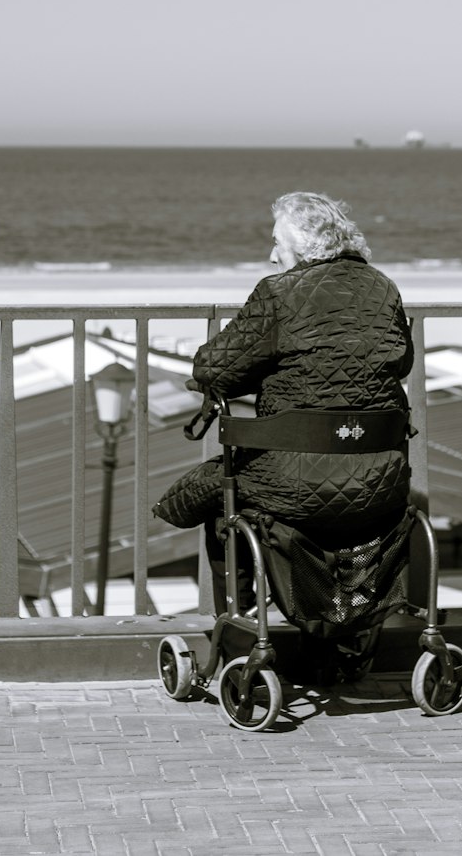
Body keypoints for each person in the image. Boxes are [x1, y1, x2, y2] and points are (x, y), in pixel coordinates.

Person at [152, 191, 414, 614]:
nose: (272, 255)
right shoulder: (384, 287)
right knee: (339, 502)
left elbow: (214, 370)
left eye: (277, 242)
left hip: (295, 482)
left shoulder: (279, 292)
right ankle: (348, 615)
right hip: (377, 481)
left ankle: (240, 619)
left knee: (219, 495)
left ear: (302, 244)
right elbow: (402, 362)